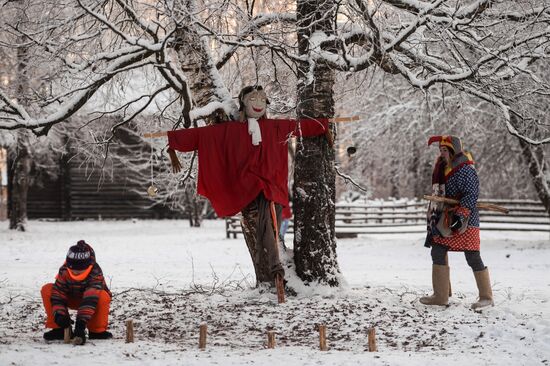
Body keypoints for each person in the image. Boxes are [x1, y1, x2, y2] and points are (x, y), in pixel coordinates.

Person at [166, 85, 329, 290]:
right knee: (265, 223)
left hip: (271, 185)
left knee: (271, 222)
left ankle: (275, 268)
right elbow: (204, 136)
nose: (258, 104)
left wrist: (323, 126)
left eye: (262, 100)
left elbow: (300, 127)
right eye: (253, 100)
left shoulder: (275, 127)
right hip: (245, 186)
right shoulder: (230, 130)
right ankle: (274, 269)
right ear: (244, 103)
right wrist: (174, 141)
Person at [421, 135, 494, 309]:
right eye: (440, 150)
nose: (442, 154)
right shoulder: (443, 168)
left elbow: (471, 194)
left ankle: (486, 297)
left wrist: (460, 216)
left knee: (472, 256)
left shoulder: (465, 169)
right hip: (445, 218)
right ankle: (441, 295)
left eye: (445, 150)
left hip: (466, 219)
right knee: (437, 251)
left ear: (454, 150)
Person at [41, 240, 112, 344]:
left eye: (80, 269)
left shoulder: (95, 272)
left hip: (91, 301)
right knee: (47, 289)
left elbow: (90, 299)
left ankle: (96, 331)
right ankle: (59, 329)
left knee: (103, 296)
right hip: (71, 298)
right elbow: (58, 294)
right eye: (73, 269)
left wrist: (80, 325)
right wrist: (60, 315)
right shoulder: (64, 270)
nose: (76, 272)